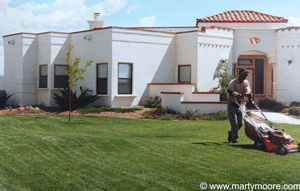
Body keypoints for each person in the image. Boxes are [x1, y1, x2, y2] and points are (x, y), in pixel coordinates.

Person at [227, 68, 252, 143]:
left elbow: (247, 90)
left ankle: (231, 132)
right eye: (245, 74)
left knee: (241, 123)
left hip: (240, 103)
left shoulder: (246, 82)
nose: (246, 75)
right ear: (240, 74)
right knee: (234, 122)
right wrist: (235, 94)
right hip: (232, 103)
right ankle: (235, 139)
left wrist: (248, 94)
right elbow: (230, 91)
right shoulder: (233, 82)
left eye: (247, 74)